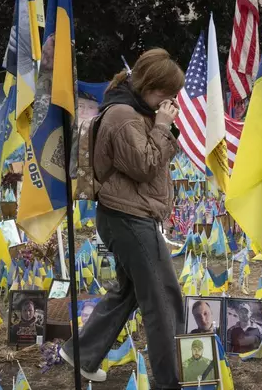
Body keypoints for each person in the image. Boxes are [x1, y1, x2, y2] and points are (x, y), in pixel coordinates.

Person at [59, 48, 185, 388]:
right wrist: (162, 126)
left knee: (129, 292)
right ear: (147, 84)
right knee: (164, 300)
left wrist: (161, 127)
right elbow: (145, 167)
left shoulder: (134, 110)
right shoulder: (123, 116)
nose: (170, 102)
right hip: (128, 218)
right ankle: (170, 381)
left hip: (126, 215)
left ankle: (83, 353)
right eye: (166, 94)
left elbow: (150, 162)